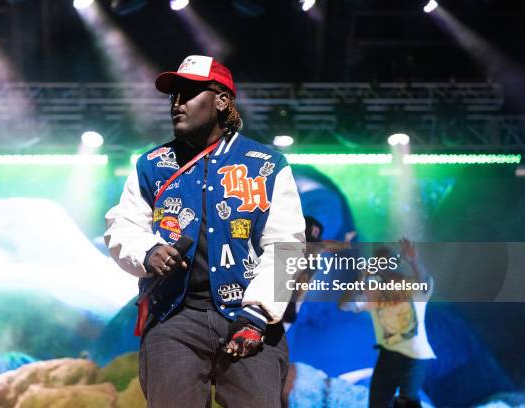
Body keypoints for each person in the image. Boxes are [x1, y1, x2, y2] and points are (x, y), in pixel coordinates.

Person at [104, 55, 305, 408]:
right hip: (173, 318)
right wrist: (148, 251)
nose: (177, 103)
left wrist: (257, 316)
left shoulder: (267, 165)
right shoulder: (152, 165)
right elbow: (123, 226)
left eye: (189, 93)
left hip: (248, 316)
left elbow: (286, 245)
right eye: (174, 96)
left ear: (222, 100)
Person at [339, 238, 436, 408]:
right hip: (388, 355)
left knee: (406, 402)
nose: (383, 264)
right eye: (379, 259)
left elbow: (425, 282)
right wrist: (361, 277)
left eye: (388, 259)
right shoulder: (374, 292)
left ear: (396, 261)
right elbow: (344, 305)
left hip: (414, 355)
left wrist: (414, 261)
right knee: (378, 403)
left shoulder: (412, 284)